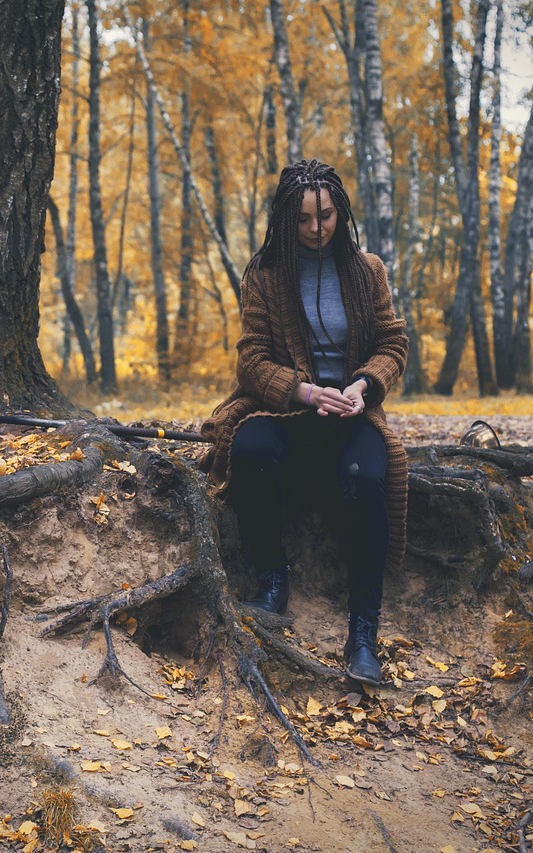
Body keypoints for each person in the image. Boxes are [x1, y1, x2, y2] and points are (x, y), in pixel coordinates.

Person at [199, 159, 409, 686]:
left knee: (366, 479)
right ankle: (272, 579)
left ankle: (363, 632)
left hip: (353, 414)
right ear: (286, 220)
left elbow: (392, 343)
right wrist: (305, 390)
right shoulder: (265, 276)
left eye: (327, 216)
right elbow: (251, 360)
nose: (317, 229)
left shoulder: (368, 271)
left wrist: (361, 387)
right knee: (249, 448)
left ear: (341, 213)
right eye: (305, 220)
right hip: (289, 410)